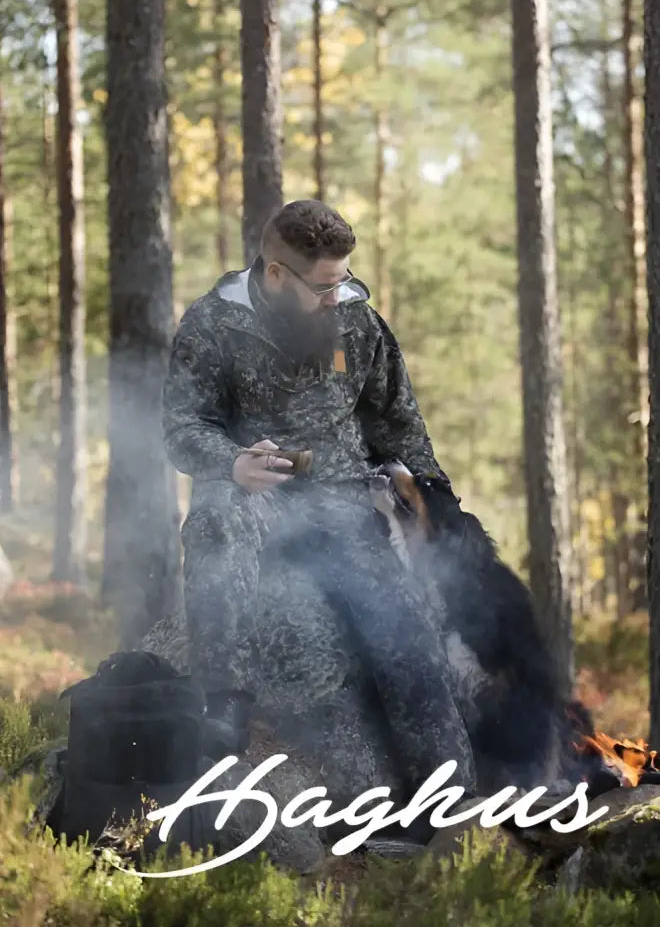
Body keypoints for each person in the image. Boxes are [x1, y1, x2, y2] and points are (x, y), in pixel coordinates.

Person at [161, 199, 476, 801]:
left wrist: (436, 497)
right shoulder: (212, 324)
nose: (339, 296)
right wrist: (230, 462)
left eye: (345, 280)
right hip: (257, 496)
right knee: (216, 514)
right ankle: (223, 701)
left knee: (402, 632)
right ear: (277, 274)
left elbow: (397, 423)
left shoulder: (358, 323)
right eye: (326, 285)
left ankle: (450, 805)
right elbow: (183, 428)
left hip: (344, 506)